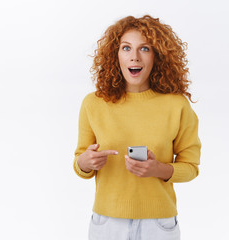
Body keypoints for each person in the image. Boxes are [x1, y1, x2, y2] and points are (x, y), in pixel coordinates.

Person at [73, 15, 201, 240]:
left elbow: (191, 167)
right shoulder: (93, 103)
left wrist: (158, 169)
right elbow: (80, 164)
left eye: (144, 48)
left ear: (157, 56)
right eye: (126, 48)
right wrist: (85, 162)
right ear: (116, 55)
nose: (134, 57)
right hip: (107, 223)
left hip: (159, 225)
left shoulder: (177, 105)